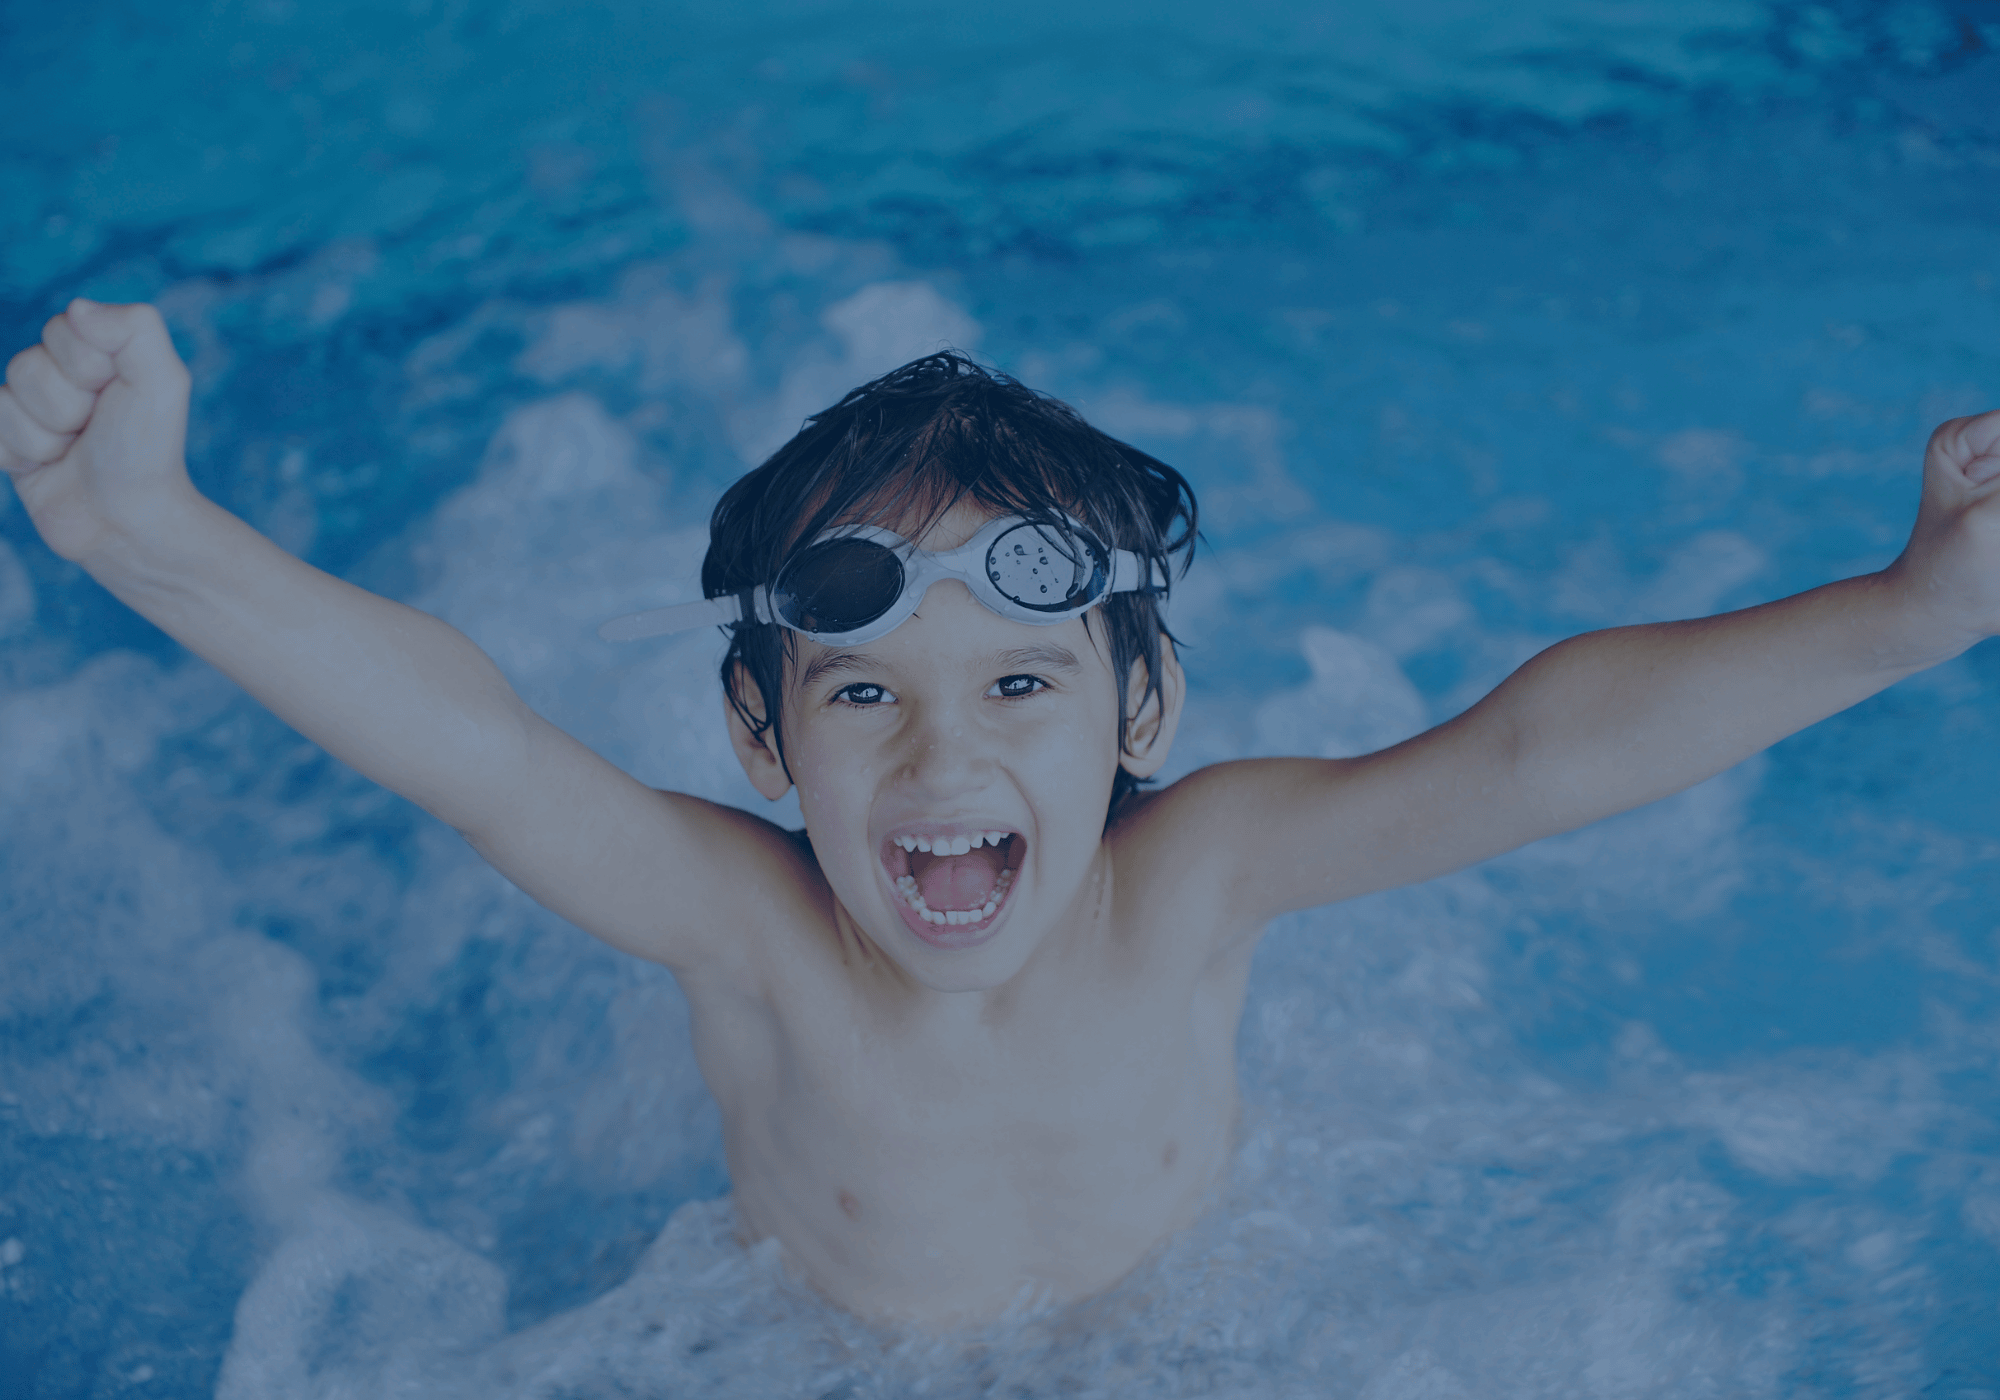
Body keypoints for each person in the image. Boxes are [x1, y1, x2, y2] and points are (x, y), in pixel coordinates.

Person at [2, 298, 1995, 1326]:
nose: (941, 762)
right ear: (763, 741)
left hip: (1183, 1328)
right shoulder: (750, 932)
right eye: (861, 694)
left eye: (1019, 688)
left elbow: (1523, 758)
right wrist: (150, 533)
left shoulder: (1196, 876)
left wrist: (1908, 614)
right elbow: (483, 749)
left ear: (1140, 705)